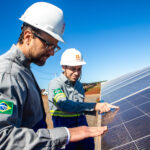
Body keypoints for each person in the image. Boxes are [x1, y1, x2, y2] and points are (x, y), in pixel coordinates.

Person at [0, 2, 108, 150]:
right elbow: (3, 138)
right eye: (48, 45)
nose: (52, 52)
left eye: (55, 47)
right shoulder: (8, 73)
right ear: (28, 37)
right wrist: (67, 134)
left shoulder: (23, 70)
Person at [48, 48, 119, 150]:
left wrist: (101, 110)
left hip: (84, 132)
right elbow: (65, 105)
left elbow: (80, 109)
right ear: (63, 67)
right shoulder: (55, 84)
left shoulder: (79, 86)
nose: (76, 73)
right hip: (67, 136)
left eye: (79, 69)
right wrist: (95, 106)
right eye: (73, 69)